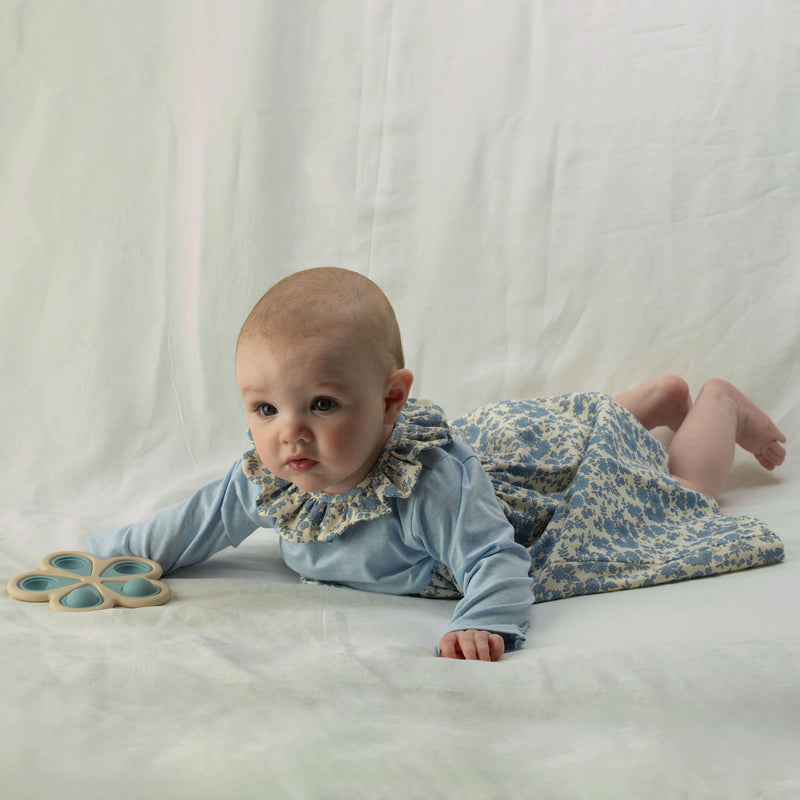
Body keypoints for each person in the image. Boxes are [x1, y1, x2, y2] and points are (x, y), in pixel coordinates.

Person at [89, 267, 787, 662]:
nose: (288, 434)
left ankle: (717, 405)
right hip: (505, 443)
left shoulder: (432, 490)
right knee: (567, 430)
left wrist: (482, 617)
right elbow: (196, 522)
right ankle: (652, 401)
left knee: (679, 495)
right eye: (265, 410)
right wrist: (115, 555)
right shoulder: (276, 481)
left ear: (392, 400)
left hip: (521, 497)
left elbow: (496, 559)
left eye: (323, 404)